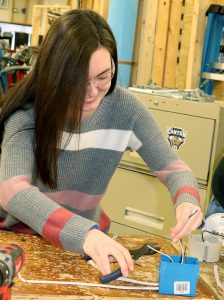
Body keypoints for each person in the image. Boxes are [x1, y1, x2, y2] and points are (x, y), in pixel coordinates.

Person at [0, 9, 202, 278]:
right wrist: (83, 233)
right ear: (55, 74)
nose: (92, 92)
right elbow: (13, 191)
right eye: (79, 81)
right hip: (24, 246)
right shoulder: (27, 115)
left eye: (103, 77)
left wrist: (187, 200)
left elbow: (174, 168)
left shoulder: (126, 109)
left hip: (88, 246)